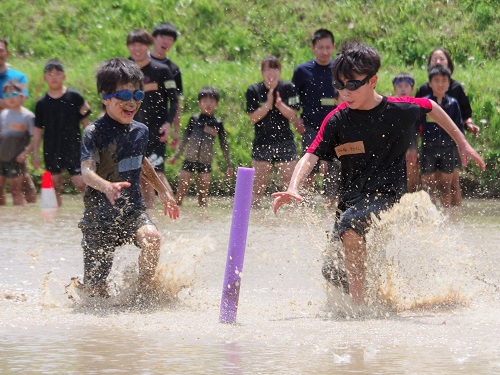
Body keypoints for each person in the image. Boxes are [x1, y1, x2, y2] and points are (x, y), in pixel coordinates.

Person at [272, 42, 485, 305]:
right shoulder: (337, 119)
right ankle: (374, 296)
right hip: (350, 198)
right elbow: (311, 153)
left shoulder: (398, 109)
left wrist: (462, 142)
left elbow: (431, 106)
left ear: (372, 81)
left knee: (351, 226)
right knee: (333, 272)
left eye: (353, 85)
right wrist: (294, 186)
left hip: (387, 193)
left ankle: (360, 311)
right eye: (339, 85)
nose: (345, 92)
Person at [79, 57, 179, 297]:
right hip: (99, 217)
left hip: (132, 210)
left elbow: (142, 163)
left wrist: (163, 190)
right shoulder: (94, 133)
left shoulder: (140, 131)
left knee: (152, 239)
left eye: (137, 96)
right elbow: (86, 172)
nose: (132, 103)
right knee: (96, 294)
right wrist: (107, 186)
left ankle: (143, 293)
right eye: (124, 97)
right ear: (105, 96)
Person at [415, 48, 480, 206]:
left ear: (449, 64)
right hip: (429, 144)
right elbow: (416, 119)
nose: (437, 61)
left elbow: (464, 115)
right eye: (434, 59)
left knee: (452, 183)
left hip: (450, 143)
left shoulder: (456, 90)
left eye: (441, 59)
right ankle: (432, 217)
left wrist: (467, 129)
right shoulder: (423, 91)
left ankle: (454, 218)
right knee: (429, 183)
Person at [127, 29, 179, 209]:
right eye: (132, 45)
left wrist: (168, 123)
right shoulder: (125, 71)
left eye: (140, 44)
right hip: (132, 131)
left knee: (157, 173)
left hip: (155, 130)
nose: (136, 48)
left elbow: (174, 100)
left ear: (148, 46)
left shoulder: (162, 70)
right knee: (141, 176)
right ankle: (149, 216)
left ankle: (173, 212)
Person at [292, 28, 340, 206]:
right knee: (309, 168)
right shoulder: (302, 71)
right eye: (321, 47)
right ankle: (306, 204)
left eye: (328, 47)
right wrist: (295, 120)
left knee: (334, 170)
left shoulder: (339, 69)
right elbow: (293, 99)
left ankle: (331, 206)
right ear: (313, 48)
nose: (325, 51)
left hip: (335, 127)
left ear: (333, 47)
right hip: (311, 127)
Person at [33, 59, 91, 206]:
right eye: (50, 74)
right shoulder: (41, 104)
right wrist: (35, 154)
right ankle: (56, 222)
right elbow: (38, 130)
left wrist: (92, 146)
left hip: (74, 148)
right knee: (55, 187)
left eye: (57, 74)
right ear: (45, 77)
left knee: (81, 184)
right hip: (51, 149)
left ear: (64, 76)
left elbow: (86, 123)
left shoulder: (75, 97)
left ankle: (95, 211)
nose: (54, 77)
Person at [246, 56, 301, 207]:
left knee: (289, 185)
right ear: (262, 72)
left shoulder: (288, 88)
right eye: (268, 69)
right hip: (262, 142)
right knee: (257, 188)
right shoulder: (253, 90)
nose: (272, 73)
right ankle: (254, 219)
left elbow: (292, 114)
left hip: (285, 140)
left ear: (280, 71)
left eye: (275, 68)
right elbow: (253, 118)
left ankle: (290, 219)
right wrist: (268, 105)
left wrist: (280, 104)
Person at [169, 87, 233, 207]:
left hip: (205, 162)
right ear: (199, 103)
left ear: (217, 104)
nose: (208, 104)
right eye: (205, 101)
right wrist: (176, 157)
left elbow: (224, 145)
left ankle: (202, 220)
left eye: (211, 101)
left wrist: (229, 165)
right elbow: (184, 140)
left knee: (203, 200)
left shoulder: (217, 123)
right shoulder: (194, 120)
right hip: (189, 160)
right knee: (180, 195)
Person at [420, 65, 465, 207]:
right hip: (428, 148)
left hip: (448, 148)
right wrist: (412, 147)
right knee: (428, 187)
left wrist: (461, 147)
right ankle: (431, 219)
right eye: (436, 80)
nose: (440, 84)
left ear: (449, 83)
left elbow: (459, 127)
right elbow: (415, 126)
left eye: (444, 80)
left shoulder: (453, 104)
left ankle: (449, 220)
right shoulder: (424, 103)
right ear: (430, 84)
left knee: (446, 186)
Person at [0, 37, 36, 204]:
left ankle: (27, 219)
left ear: (6, 53)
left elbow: (22, 99)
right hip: (3, 132)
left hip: (17, 134)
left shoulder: (18, 77)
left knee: (22, 181)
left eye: (1, 50)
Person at [150, 22, 183, 148]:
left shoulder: (173, 69)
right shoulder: (137, 61)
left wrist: (175, 131)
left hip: (159, 126)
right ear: (154, 38)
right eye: (162, 38)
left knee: (156, 168)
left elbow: (176, 101)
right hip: (134, 121)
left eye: (170, 39)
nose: (166, 42)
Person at [392, 72, 420, 192]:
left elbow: (415, 129)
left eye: (406, 86)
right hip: (393, 150)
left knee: (411, 183)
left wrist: (412, 147)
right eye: (399, 86)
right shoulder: (390, 106)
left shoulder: (415, 107)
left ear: (412, 89)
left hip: (410, 148)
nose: (403, 89)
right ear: (394, 89)